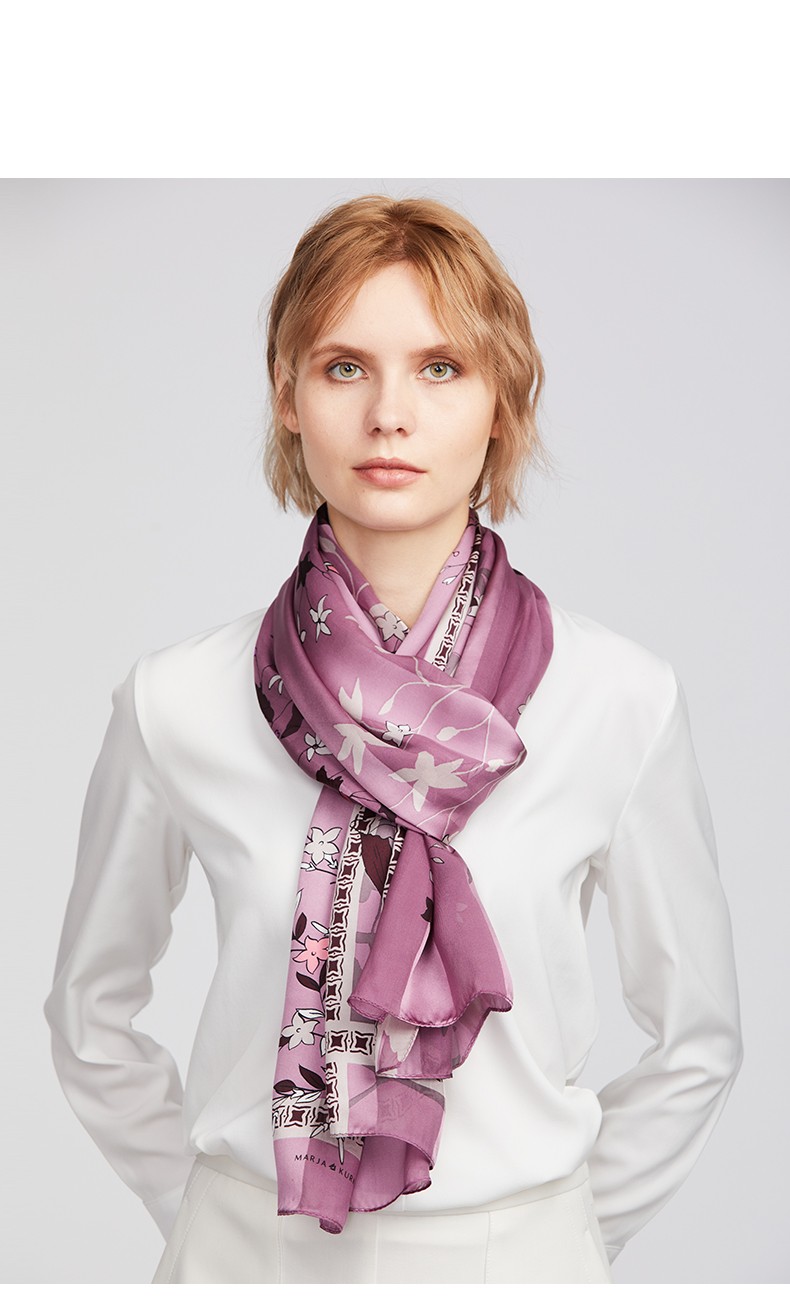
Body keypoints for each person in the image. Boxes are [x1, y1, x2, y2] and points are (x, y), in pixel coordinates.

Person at [44, 194, 743, 1284]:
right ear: (287, 396)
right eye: (343, 368)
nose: (389, 416)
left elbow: (698, 1039)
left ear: (502, 401)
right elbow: (90, 1014)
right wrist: (209, 1216)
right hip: (248, 1256)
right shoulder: (176, 701)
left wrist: (558, 1237)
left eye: (440, 368)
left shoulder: (618, 700)